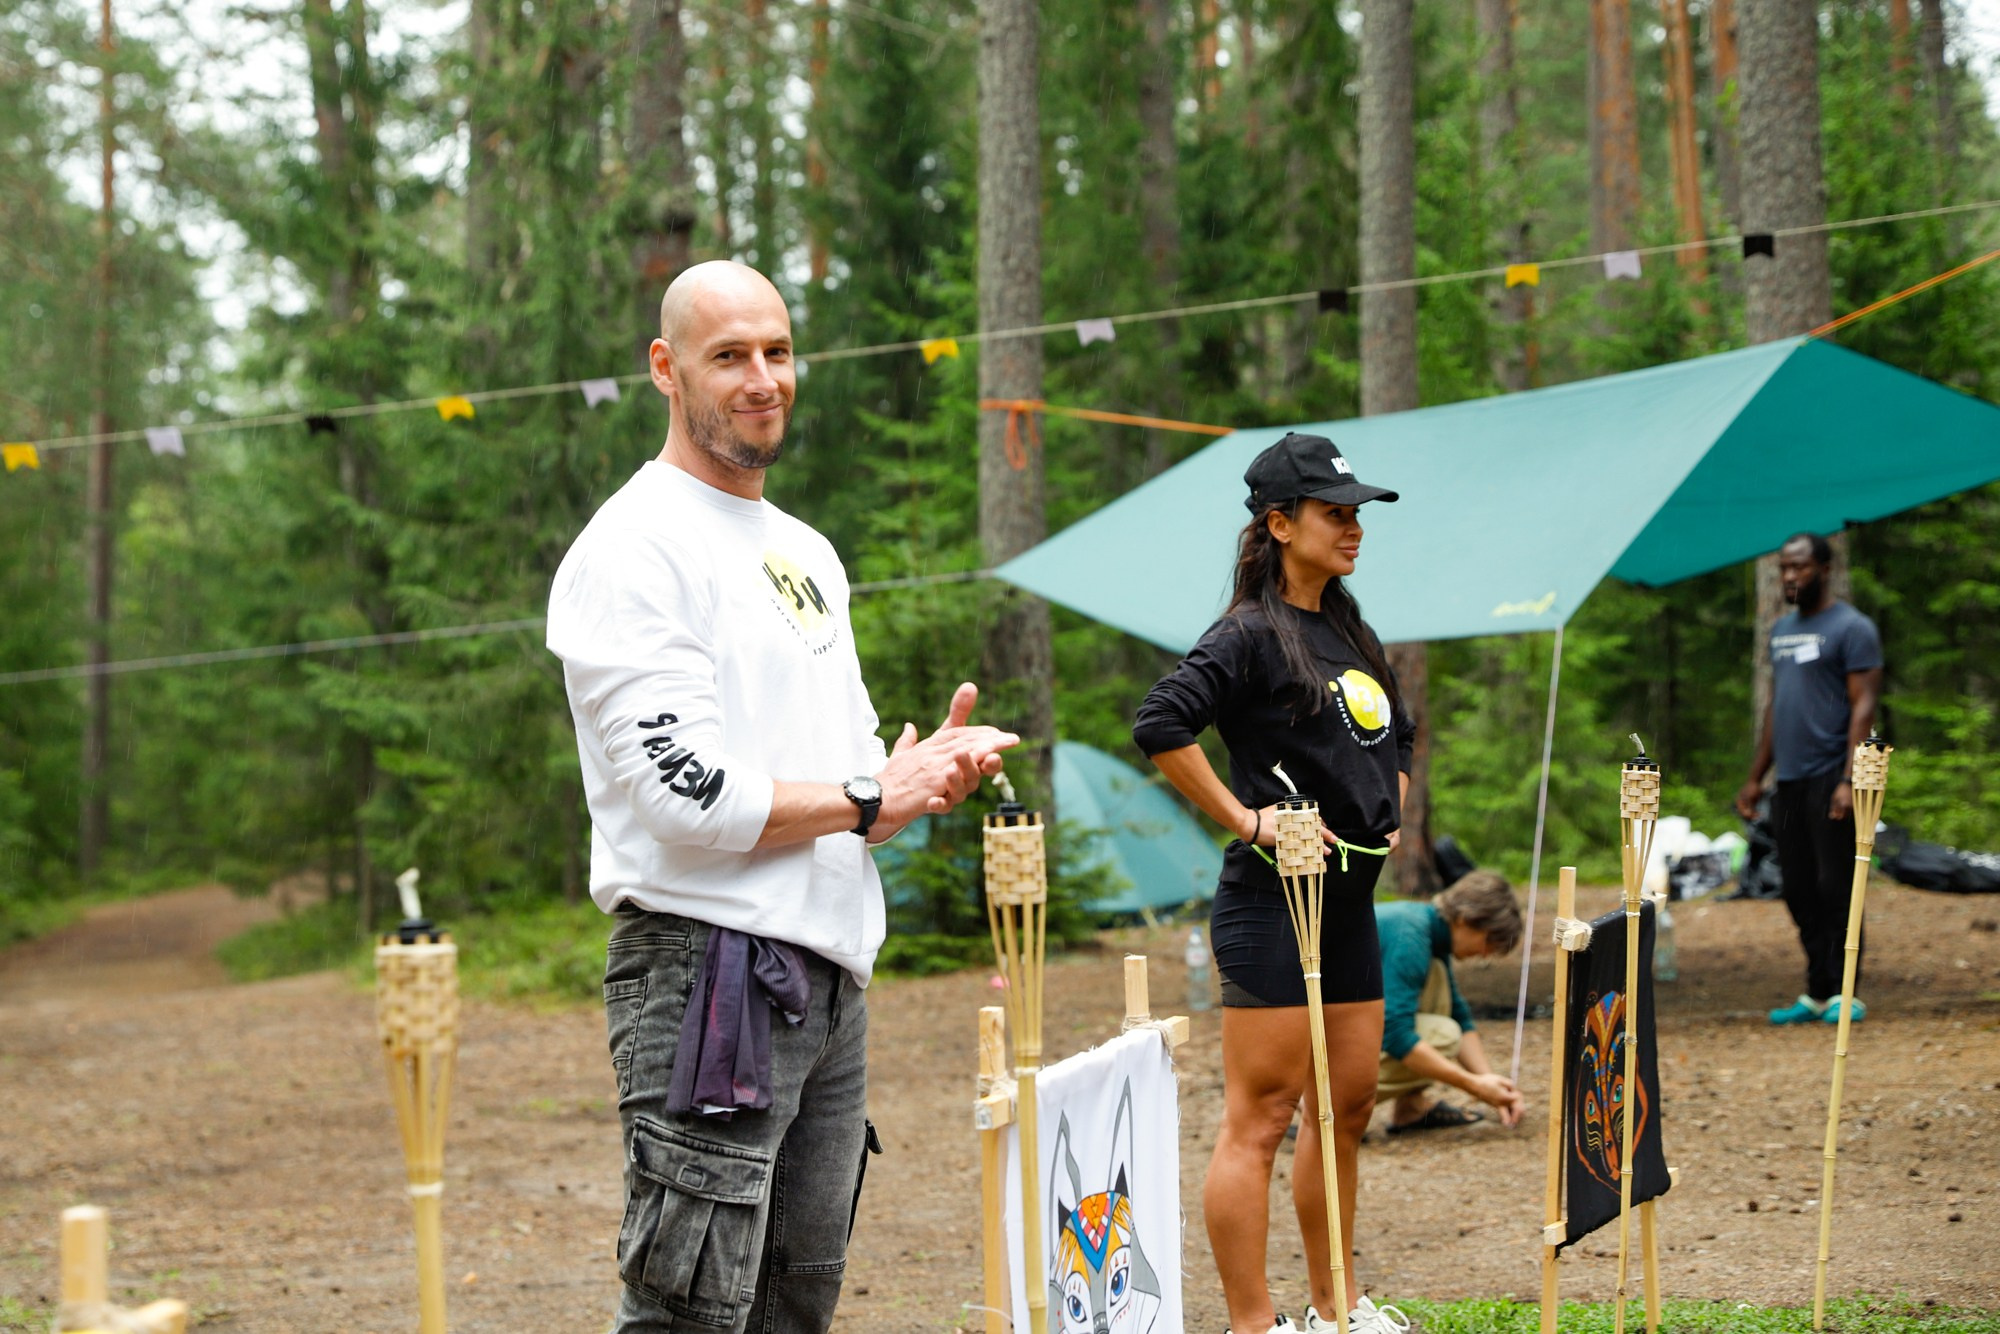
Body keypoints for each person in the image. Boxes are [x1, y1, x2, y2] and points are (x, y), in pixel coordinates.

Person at [546, 260, 1018, 1334]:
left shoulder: (804, 551)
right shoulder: (634, 546)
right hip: (708, 973)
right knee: (690, 1315)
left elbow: (850, 781)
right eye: (729, 356)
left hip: (831, 979)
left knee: (792, 1308)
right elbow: (682, 794)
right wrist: (868, 791)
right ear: (665, 368)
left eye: (778, 351)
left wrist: (911, 782)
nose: (763, 379)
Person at [1133, 431, 1412, 1334]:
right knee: (1262, 1118)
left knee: (1347, 1109)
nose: (1354, 527)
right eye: (1336, 513)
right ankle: (1254, 1325)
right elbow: (1161, 723)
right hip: (1272, 904)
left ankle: (1336, 1307)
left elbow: (1399, 732)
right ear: (1281, 524)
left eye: (1358, 512)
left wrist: (1390, 805)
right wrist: (1247, 819)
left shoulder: (1349, 627)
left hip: (1350, 904)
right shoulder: (1248, 633)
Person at [1734, 531, 1883, 1027]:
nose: (1789, 576)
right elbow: (1777, 706)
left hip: (1831, 777)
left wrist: (1849, 778)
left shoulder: (1852, 628)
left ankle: (1845, 991)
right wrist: (1756, 777)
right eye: (1783, 568)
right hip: (1790, 781)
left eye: (1798, 567)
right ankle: (1817, 990)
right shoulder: (1781, 630)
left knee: (1836, 884)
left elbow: (1864, 704)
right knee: (1797, 886)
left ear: (1824, 569)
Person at [1374, 870, 1526, 1132]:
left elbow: (1458, 1013)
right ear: (1465, 919)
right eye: (1489, 941)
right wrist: (1473, 1085)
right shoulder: (1410, 937)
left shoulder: (1428, 929)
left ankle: (1410, 1107)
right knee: (1445, 1035)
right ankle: (1327, 1100)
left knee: (1439, 987)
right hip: (1318, 1037)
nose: (1485, 954)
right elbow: (1396, 1033)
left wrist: (1490, 1083)